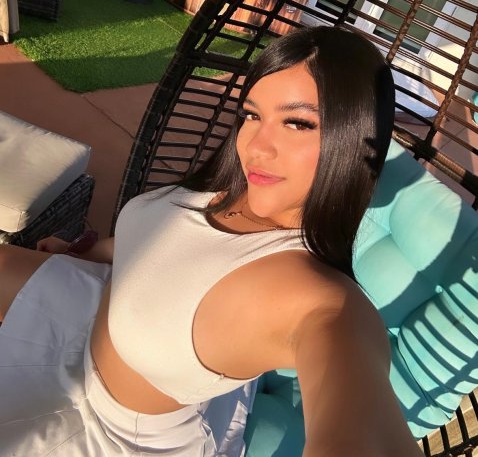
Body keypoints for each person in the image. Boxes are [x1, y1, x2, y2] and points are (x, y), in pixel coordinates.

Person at [0, 26, 423, 456]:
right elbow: (162, 248)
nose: (256, 146)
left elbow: (359, 421)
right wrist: (88, 251)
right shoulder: (229, 191)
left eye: (297, 123)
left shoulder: (319, 301)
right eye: (252, 115)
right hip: (91, 311)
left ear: (351, 140)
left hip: (109, 432)